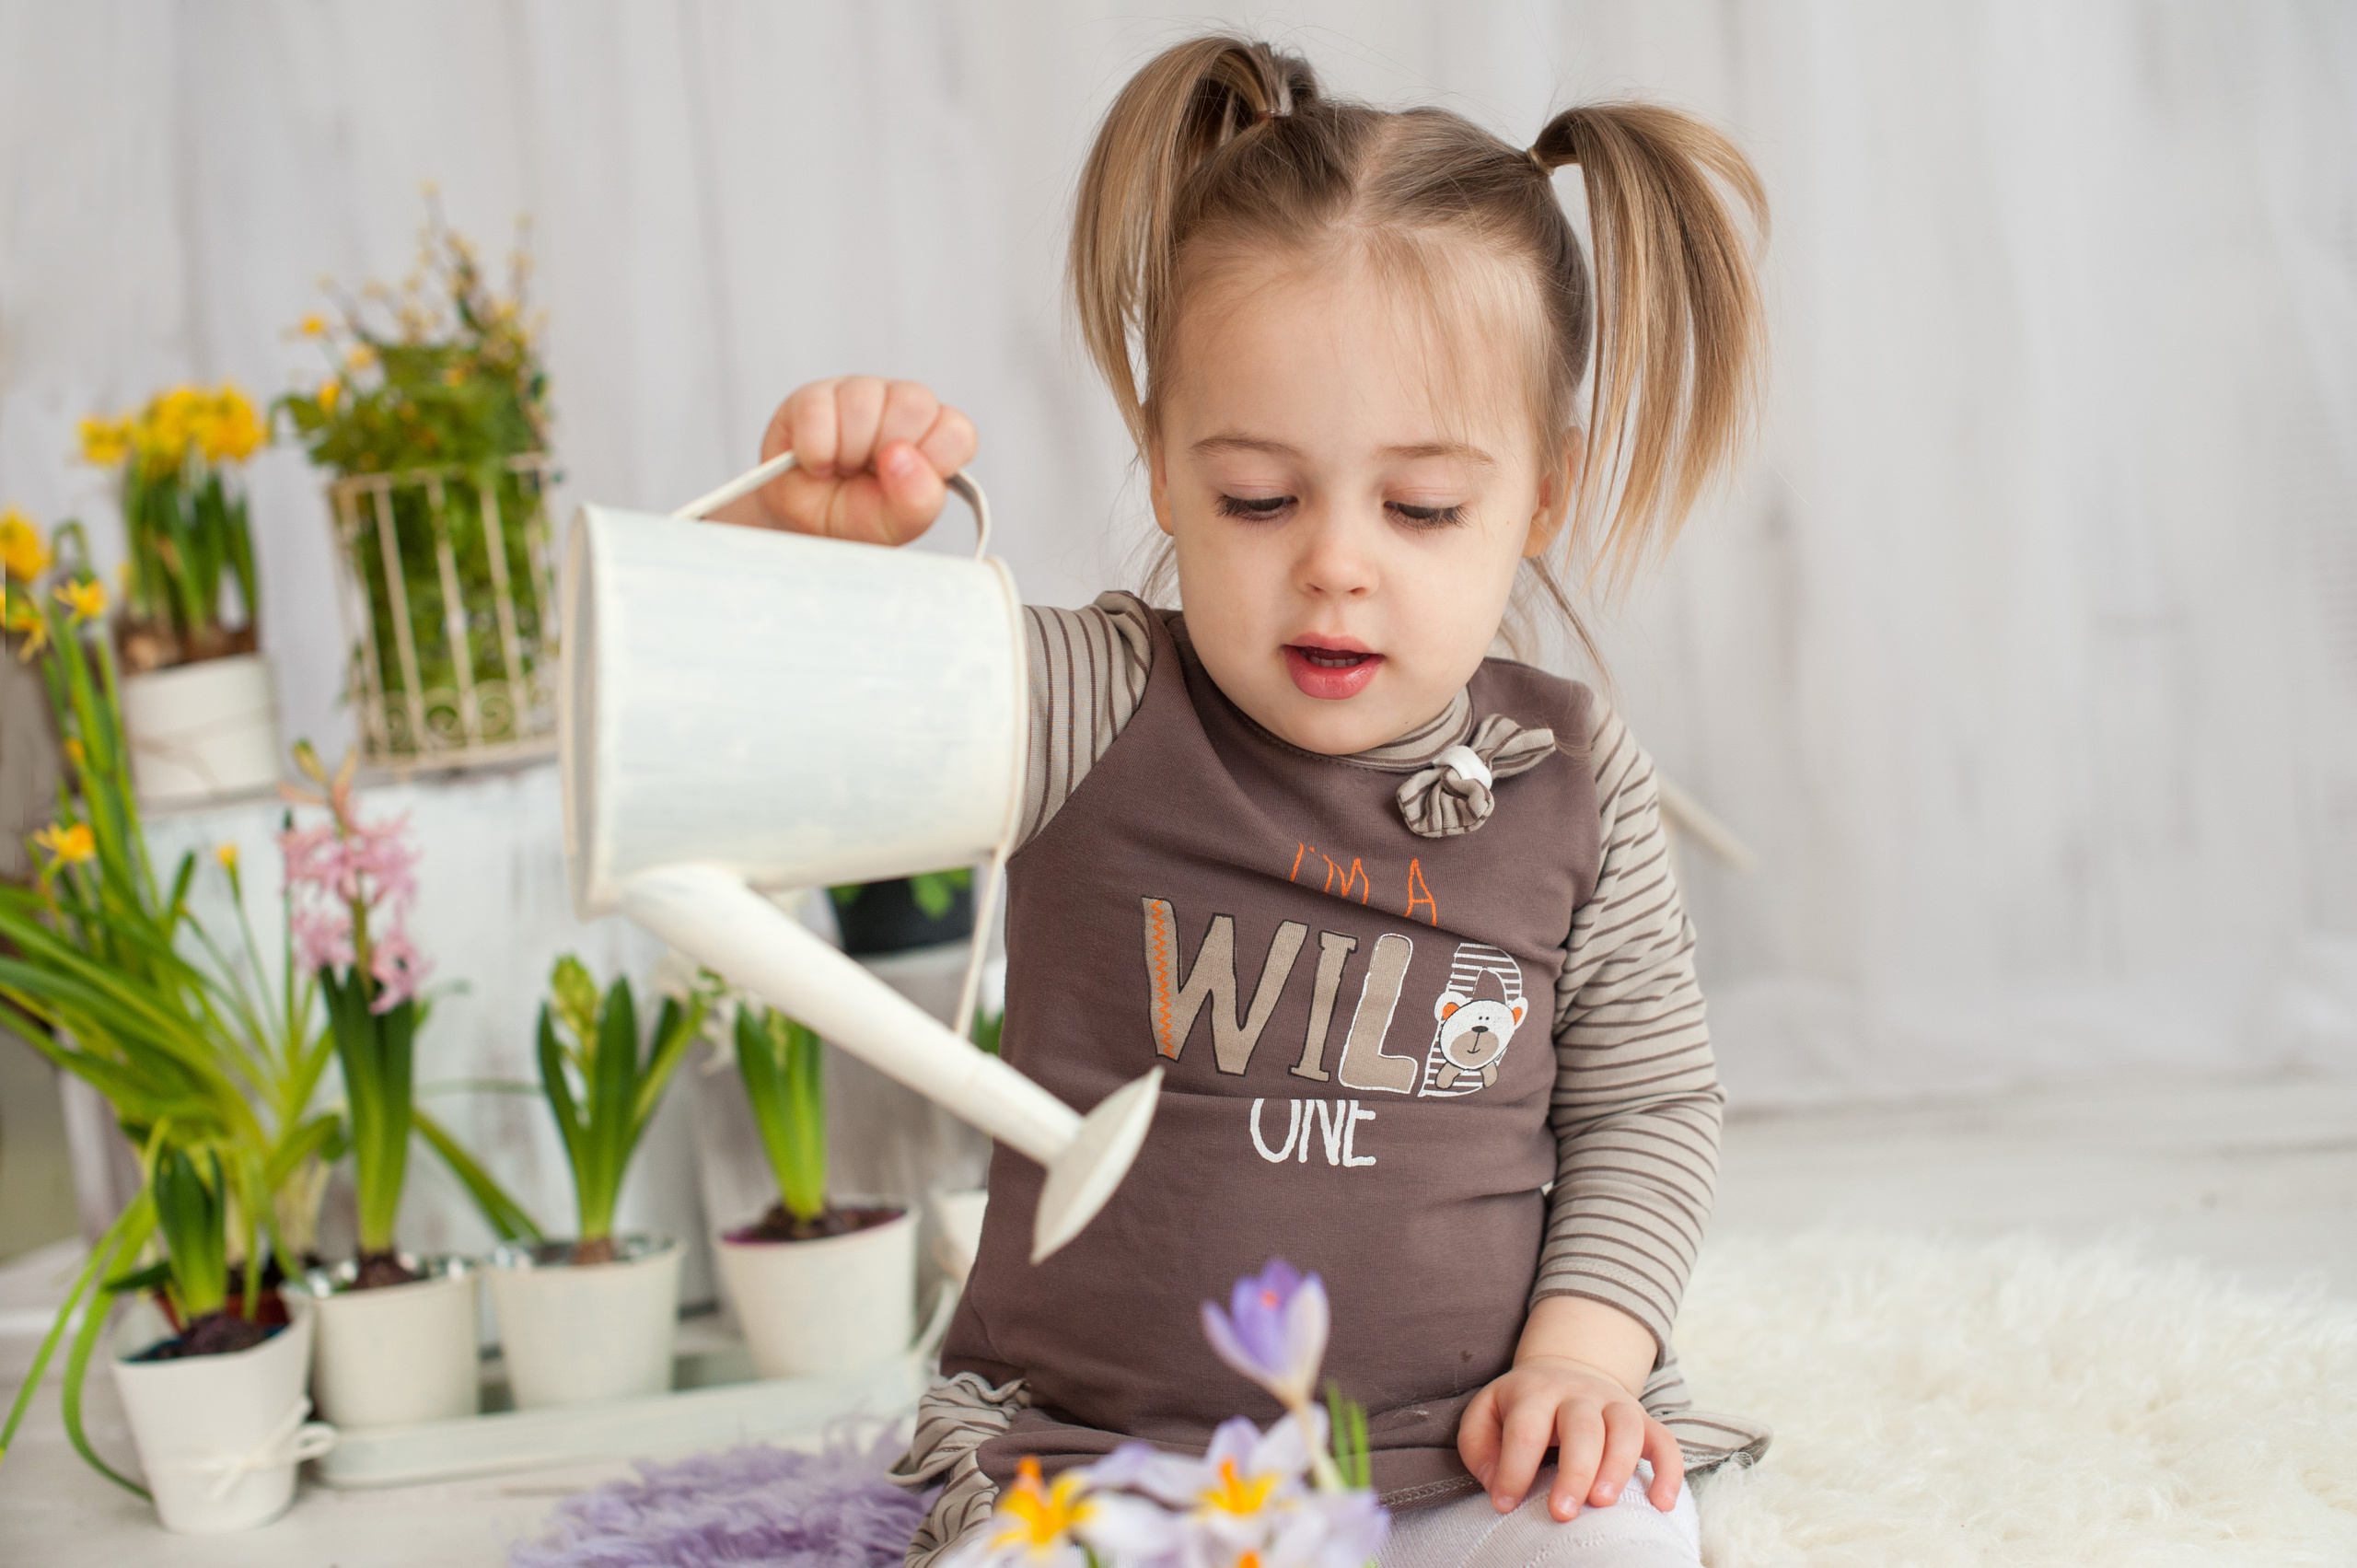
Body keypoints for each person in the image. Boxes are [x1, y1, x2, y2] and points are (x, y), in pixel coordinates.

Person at [715, 33, 1771, 1568]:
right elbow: (794, 748)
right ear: (1158, 462)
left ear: (1543, 488)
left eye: (1421, 508)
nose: (1337, 561)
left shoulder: (1573, 777)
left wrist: (1582, 1368)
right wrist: (808, 561)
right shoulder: (1085, 705)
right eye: (1258, 498)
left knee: (1621, 1544)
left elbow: (1645, 1106)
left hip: (1462, 1451)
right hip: (1100, 1458)